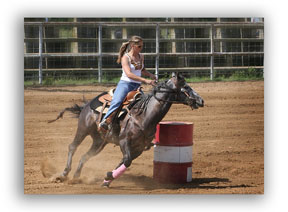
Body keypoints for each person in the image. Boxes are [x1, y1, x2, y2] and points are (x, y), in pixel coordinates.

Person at [98, 35, 156, 133]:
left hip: (136, 86)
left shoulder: (141, 56)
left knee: (145, 105)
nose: (141, 48)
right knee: (118, 100)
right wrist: (146, 80)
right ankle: (105, 121)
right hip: (125, 84)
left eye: (142, 46)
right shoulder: (125, 57)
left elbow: (142, 69)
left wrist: (151, 75)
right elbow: (129, 74)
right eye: (139, 46)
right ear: (133, 45)